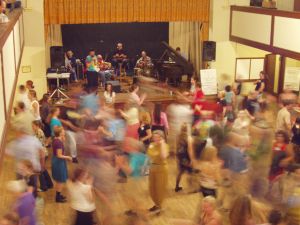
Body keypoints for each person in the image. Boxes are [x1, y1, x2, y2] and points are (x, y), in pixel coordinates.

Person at [147, 130, 169, 213]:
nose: (155, 138)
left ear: (161, 137)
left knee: (159, 189)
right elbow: (149, 157)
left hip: (161, 170)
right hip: (152, 169)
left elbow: (164, 156)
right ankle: (156, 205)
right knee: (152, 189)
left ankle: (159, 206)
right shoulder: (151, 145)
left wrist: (162, 144)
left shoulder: (165, 146)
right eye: (154, 137)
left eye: (157, 137)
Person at [51, 127, 72, 203]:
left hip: (56, 161)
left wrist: (63, 139)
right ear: (60, 133)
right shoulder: (58, 143)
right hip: (59, 162)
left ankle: (58, 195)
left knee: (58, 180)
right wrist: (68, 157)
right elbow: (59, 155)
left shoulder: (56, 139)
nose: (64, 132)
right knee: (60, 180)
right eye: (63, 131)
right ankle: (58, 197)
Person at [175, 123, 193, 192]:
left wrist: (176, 157)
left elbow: (176, 147)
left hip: (180, 157)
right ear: (187, 129)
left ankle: (177, 186)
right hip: (186, 157)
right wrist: (191, 159)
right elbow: (190, 150)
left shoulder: (178, 137)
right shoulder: (188, 138)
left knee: (180, 172)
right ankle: (191, 188)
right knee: (191, 173)